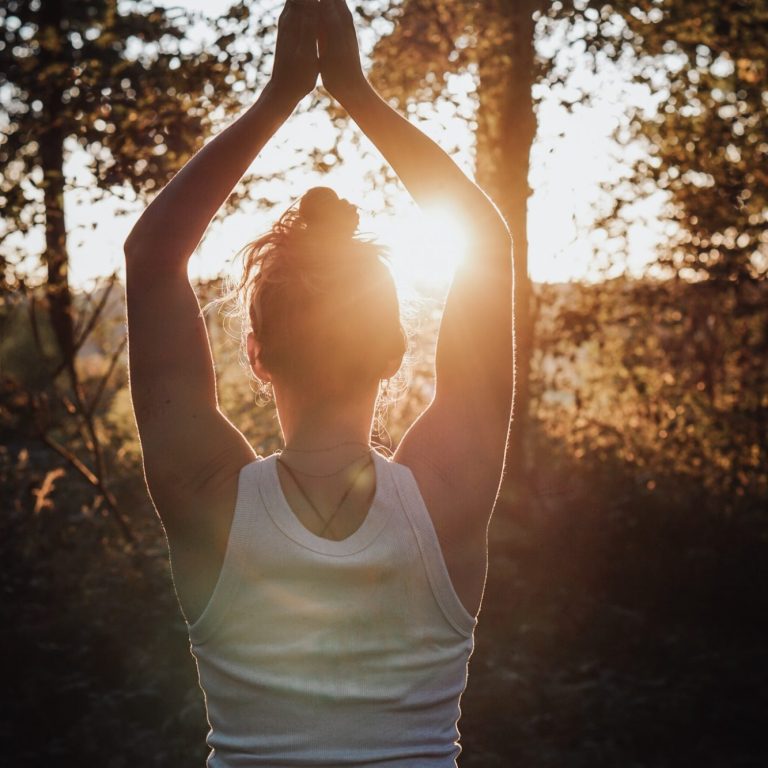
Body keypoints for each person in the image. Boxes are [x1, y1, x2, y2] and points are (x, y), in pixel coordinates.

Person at [124, 0, 513, 765]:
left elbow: (152, 255)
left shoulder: (210, 497)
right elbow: (487, 245)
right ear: (395, 349)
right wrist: (356, 92)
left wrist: (279, 96)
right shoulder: (446, 498)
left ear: (257, 354)